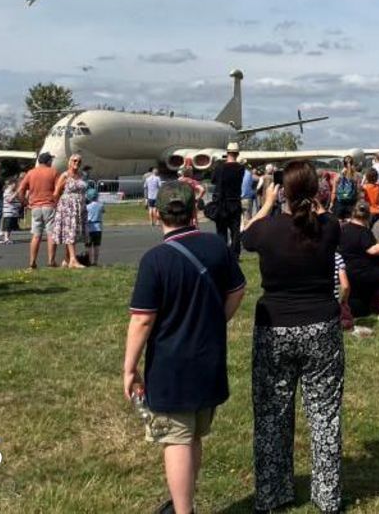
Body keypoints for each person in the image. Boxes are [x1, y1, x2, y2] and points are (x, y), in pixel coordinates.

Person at [124, 181, 246, 514]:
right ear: (195, 212)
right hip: (209, 359)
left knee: (176, 439)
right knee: (192, 435)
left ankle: (182, 510)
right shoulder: (215, 246)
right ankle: (185, 500)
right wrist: (217, 320)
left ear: (156, 214)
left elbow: (143, 320)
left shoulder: (156, 260)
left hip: (170, 364)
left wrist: (129, 367)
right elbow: (237, 289)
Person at [241, 160, 343, 514]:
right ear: (315, 191)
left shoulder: (266, 230)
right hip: (321, 326)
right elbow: (326, 218)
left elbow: (245, 237)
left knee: (272, 414)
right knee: (325, 414)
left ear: (282, 189)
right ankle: (328, 496)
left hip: (275, 327)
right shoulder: (329, 228)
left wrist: (267, 203)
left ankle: (272, 493)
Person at [341, 201, 379, 320]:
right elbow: (372, 250)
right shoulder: (364, 231)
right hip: (363, 272)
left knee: (361, 311)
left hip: (348, 272)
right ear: (368, 216)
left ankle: (353, 309)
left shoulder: (344, 228)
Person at [18, 152, 59, 269]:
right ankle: (51, 260)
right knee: (51, 234)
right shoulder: (53, 172)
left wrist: (25, 203)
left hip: (35, 206)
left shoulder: (31, 173)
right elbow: (58, 189)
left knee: (36, 235)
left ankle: (32, 261)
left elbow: (20, 190)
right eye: (51, 160)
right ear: (48, 161)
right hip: (49, 205)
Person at [210, 143, 245, 258]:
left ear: (227, 153)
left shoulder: (220, 168)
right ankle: (235, 254)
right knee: (235, 231)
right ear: (237, 153)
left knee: (221, 230)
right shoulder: (241, 169)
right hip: (235, 201)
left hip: (222, 202)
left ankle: (222, 253)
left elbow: (213, 180)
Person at [53, 153, 88, 268]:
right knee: (70, 232)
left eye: (79, 161)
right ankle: (73, 260)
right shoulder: (65, 175)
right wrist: (61, 205)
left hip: (80, 206)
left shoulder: (82, 175)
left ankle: (67, 259)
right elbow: (56, 192)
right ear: (69, 162)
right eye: (74, 160)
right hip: (68, 206)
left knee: (74, 232)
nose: (76, 163)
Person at [330, 155, 360, 219]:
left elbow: (334, 191)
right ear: (352, 163)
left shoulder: (338, 176)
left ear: (343, 164)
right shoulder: (356, 176)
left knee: (339, 223)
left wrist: (332, 203)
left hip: (340, 203)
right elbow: (358, 191)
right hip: (352, 203)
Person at [85, 189, 105, 266]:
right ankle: (95, 261)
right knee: (96, 246)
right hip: (98, 228)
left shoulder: (87, 207)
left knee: (89, 246)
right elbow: (103, 211)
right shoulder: (100, 205)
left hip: (89, 228)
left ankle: (89, 261)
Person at [1, 178, 20, 244]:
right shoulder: (7, 191)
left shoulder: (13, 192)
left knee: (10, 227)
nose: (16, 186)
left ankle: (8, 238)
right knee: (7, 226)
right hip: (8, 212)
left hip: (13, 212)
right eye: (15, 185)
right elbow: (9, 200)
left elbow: (17, 201)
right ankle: (6, 238)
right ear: (11, 184)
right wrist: (16, 193)